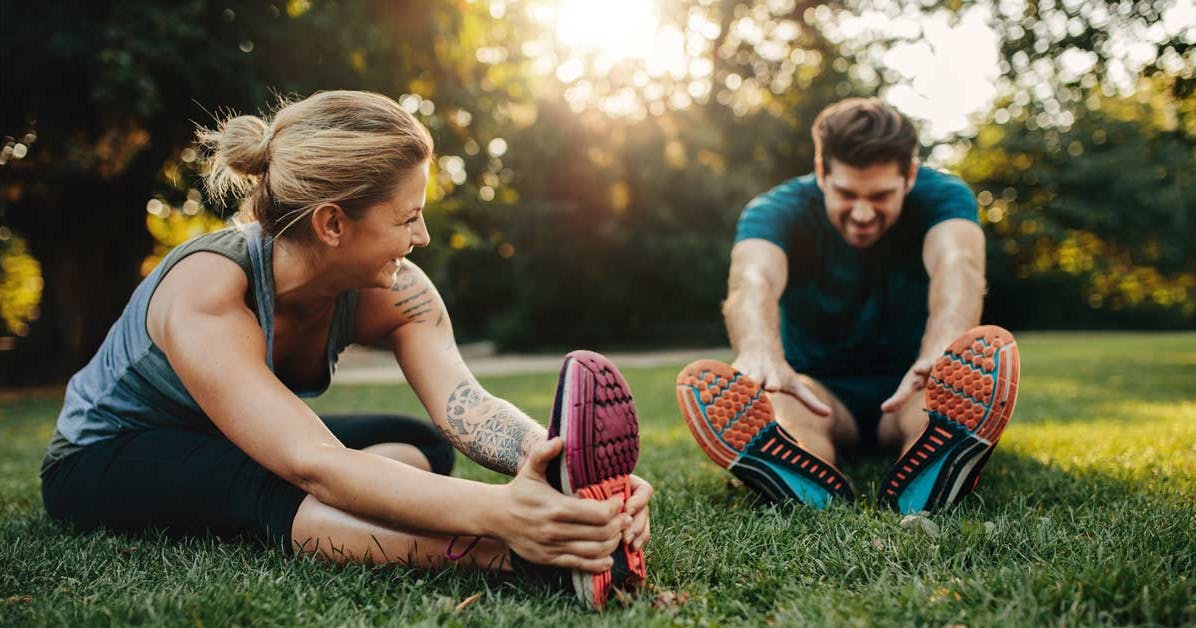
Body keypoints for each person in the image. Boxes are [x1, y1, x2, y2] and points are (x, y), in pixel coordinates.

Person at [39, 90, 651, 609]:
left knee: (424, 447)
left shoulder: (395, 289)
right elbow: (313, 461)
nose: (423, 236)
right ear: (332, 224)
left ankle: (343, 515)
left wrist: (563, 471)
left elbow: (464, 403)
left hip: (232, 439)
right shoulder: (208, 289)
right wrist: (506, 515)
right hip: (107, 454)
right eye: (407, 218)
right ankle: (516, 561)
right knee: (277, 481)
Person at [675, 98, 1021, 513]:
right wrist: (760, 352)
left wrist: (943, 350)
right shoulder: (775, 210)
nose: (861, 212)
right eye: (845, 193)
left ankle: (935, 467)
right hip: (819, 391)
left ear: (909, 175)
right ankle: (804, 474)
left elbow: (957, 263)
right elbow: (753, 278)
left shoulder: (944, 196)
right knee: (787, 409)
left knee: (933, 409)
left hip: (911, 384)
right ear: (821, 172)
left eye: (880, 196)